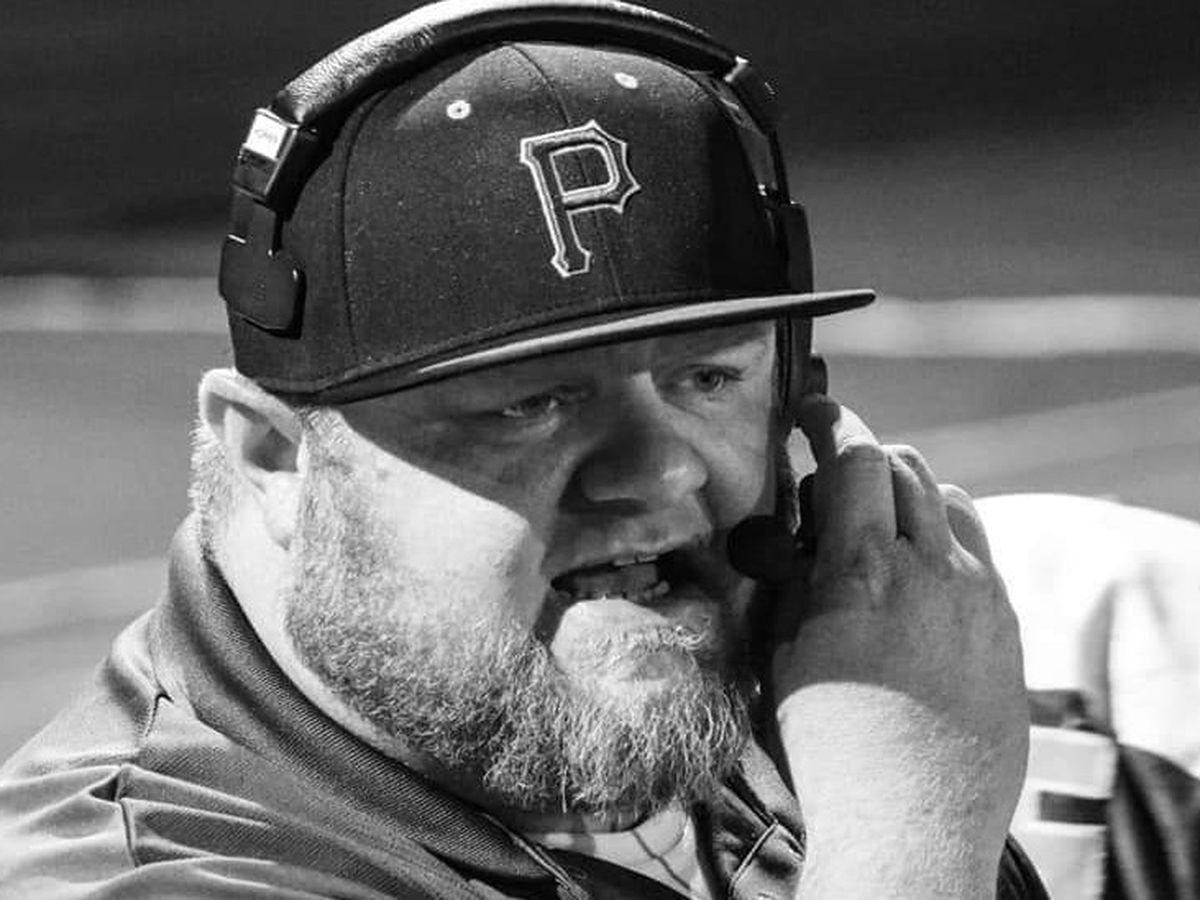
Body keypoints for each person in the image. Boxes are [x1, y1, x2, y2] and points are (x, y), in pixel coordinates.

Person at [0, 1, 1047, 896]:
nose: (660, 470)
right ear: (277, 457)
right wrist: (911, 840)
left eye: (707, 379)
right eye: (533, 403)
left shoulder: (796, 728)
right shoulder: (134, 874)